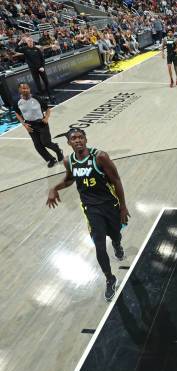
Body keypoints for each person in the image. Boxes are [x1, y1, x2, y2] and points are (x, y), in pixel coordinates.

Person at [46, 128, 130, 301]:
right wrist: (54, 188)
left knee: (115, 234)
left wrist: (123, 206)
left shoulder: (100, 157)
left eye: (80, 137)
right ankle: (109, 278)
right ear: (69, 143)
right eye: (73, 138)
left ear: (85, 139)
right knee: (99, 246)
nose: (77, 140)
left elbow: (116, 180)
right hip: (91, 209)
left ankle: (117, 243)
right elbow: (70, 179)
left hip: (109, 205)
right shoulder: (69, 161)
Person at [14, 83, 63, 168]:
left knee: (46, 142)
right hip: (30, 126)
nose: (25, 90)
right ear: (19, 90)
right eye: (23, 88)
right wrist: (25, 125)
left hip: (41, 123)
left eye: (27, 88)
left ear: (29, 89)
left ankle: (58, 150)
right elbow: (17, 113)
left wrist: (46, 118)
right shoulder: (17, 102)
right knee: (38, 145)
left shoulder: (37, 98)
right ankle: (51, 159)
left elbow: (47, 109)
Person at [16, 36, 53, 100]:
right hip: (34, 70)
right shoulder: (25, 49)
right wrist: (20, 42)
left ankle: (50, 95)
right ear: (27, 42)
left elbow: (42, 59)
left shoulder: (37, 49)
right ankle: (42, 97)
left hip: (41, 69)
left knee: (46, 82)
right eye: (28, 41)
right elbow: (16, 49)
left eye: (31, 41)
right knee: (38, 83)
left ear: (33, 41)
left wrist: (42, 67)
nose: (30, 42)